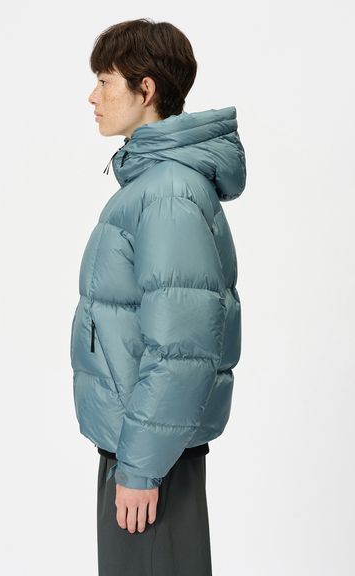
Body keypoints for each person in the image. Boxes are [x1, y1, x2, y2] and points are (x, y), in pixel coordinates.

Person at [70, 17, 247, 576]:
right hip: (141, 443)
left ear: (145, 89)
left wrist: (142, 468)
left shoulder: (168, 192)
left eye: (105, 81)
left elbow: (182, 348)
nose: (92, 96)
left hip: (151, 455)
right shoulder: (154, 185)